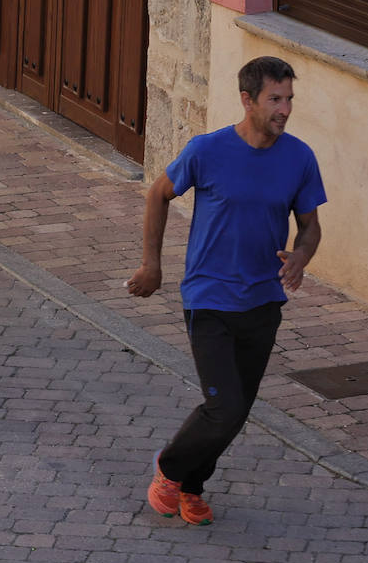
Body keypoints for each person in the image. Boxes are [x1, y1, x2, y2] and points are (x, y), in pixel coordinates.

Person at [128, 56, 324, 526]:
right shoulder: (207, 150)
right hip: (209, 299)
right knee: (225, 405)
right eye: (275, 99)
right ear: (247, 100)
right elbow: (158, 193)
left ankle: (192, 488)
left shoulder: (299, 157)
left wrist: (300, 257)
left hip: (263, 302)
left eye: (289, 99)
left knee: (236, 411)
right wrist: (152, 265)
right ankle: (169, 469)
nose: (285, 109)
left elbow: (311, 227)